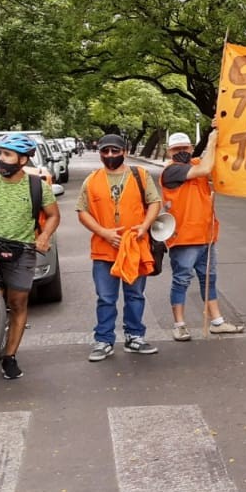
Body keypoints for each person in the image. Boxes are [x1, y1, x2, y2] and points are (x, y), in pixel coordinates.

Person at [0, 134, 60, 379]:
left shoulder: (36, 186)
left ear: (22, 160)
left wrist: (44, 237)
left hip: (21, 250)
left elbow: (53, 215)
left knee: (18, 302)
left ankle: (9, 356)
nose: (1, 159)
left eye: (7, 155)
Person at [77, 134, 162, 361]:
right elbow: (82, 212)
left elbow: (155, 202)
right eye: (106, 151)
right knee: (106, 297)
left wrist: (145, 226)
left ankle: (135, 337)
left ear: (124, 151)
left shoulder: (140, 175)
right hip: (104, 250)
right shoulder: (92, 180)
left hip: (134, 247)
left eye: (115, 151)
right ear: (100, 153)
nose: (110, 156)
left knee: (135, 294)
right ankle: (103, 340)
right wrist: (104, 233)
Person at [160, 129, 243, 341]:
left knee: (209, 280)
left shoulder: (195, 163)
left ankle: (217, 323)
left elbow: (212, 157)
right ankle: (179, 325)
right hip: (184, 239)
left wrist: (218, 126)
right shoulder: (172, 171)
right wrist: (213, 137)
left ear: (190, 148)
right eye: (176, 149)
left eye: (184, 148)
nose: (181, 152)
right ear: (169, 151)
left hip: (206, 236)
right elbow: (206, 165)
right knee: (181, 281)